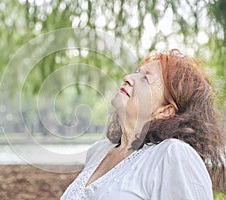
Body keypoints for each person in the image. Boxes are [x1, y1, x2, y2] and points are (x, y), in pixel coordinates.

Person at [61, 49, 226, 199]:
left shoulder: (172, 154)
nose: (128, 78)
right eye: (136, 73)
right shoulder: (99, 151)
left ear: (165, 111)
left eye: (145, 79)